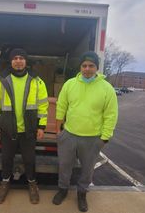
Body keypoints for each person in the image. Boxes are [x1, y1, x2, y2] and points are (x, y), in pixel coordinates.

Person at [52, 51, 118, 212]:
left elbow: (111, 114)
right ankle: (63, 190)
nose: (87, 69)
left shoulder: (106, 88)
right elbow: (61, 106)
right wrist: (58, 129)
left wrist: (105, 138)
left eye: (91, 65)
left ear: (96, 67)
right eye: (84, 65)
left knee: (87, 170)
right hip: (69, 135)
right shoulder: (69, 84)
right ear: (80, 67)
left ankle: (82, 194)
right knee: (64, 166)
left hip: (92, 138)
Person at [0, 48, 49, 204]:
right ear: (11, 61)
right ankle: (5, 183)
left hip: (29, 130)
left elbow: (43, 105)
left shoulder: (37, 80)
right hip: (8, 130)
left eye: (22, 57)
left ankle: (32, 184)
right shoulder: (1, 80)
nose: (18, 60)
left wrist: (41, 126)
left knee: (30, 160)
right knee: (6, 159)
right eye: (15, 58)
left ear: (26, 61)